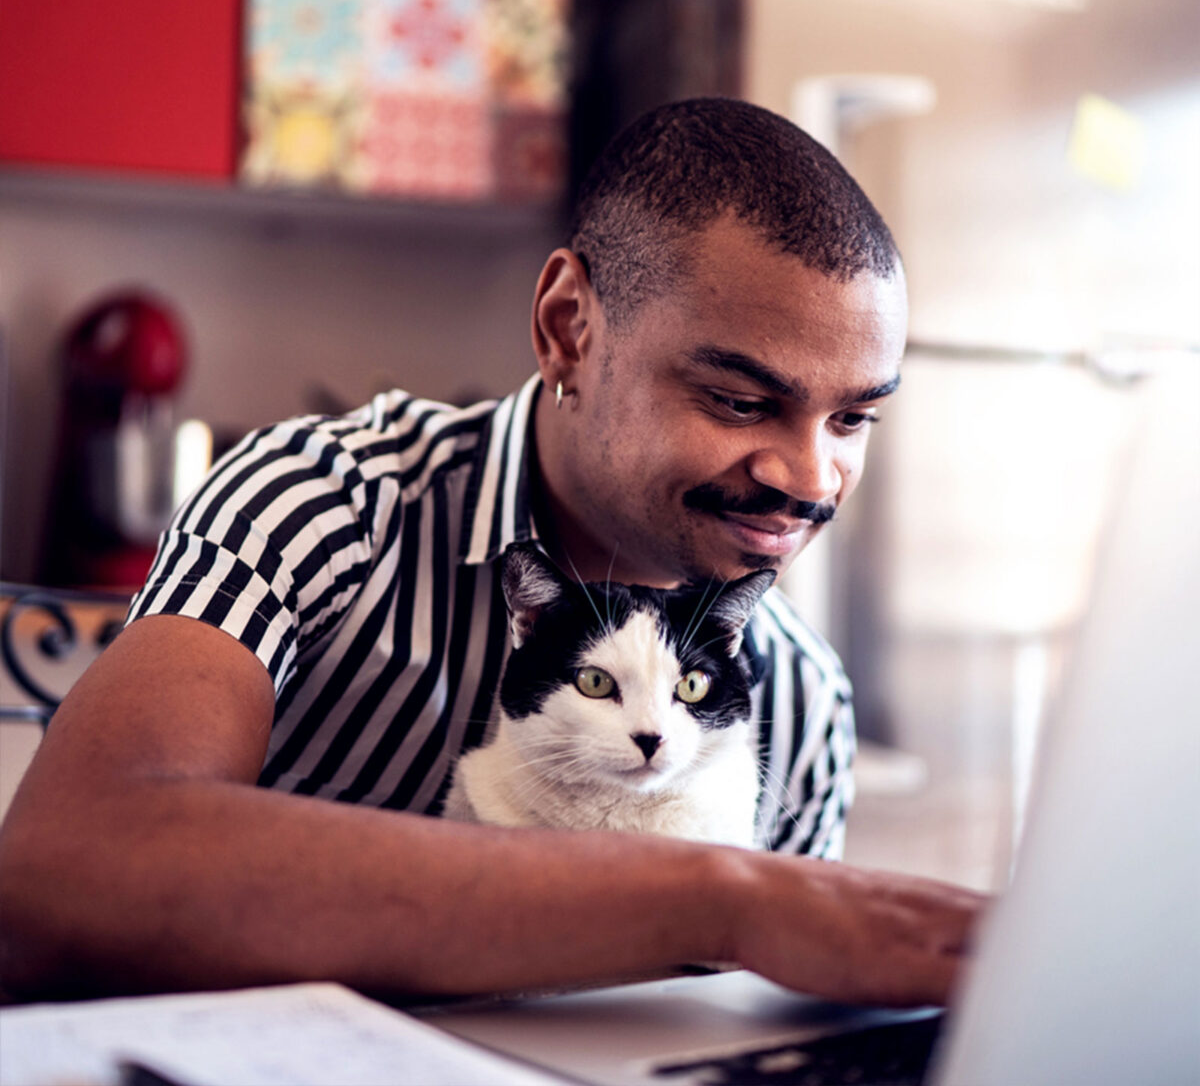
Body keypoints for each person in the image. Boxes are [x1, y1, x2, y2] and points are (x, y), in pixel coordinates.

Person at [0, 99, 982, 1004]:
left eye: (852, 418)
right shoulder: (327, 502)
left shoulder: (804, 701)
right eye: (738, 401)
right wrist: (718, 896)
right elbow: (64, 868)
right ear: (569, 329)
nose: (809, 479)